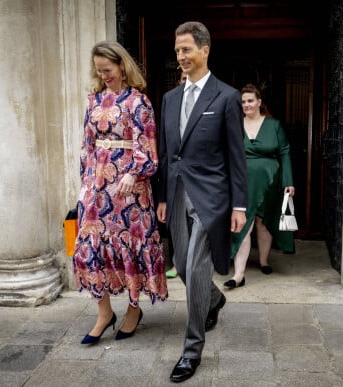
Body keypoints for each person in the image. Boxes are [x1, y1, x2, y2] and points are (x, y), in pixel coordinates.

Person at [156, 21, 248, 383]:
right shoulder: (169, 99)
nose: (181, 57)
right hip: (177, 192)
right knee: (179, 261)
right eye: (177, 51)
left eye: (187, 50)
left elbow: (236, 156)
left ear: (205, 50)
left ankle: (191, 350)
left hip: (212, 196)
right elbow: (166, 154)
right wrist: (162, 196)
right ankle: (213, 299)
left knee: (195, 266)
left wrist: (239, 205)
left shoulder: (226, 97)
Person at [72, 40, 168, 346]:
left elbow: (149, 150)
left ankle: (133, 309)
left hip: (130, 193)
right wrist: (86, 183)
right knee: (88, 251)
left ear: (122, 66)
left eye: (108, 69)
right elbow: (87, 146)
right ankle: (104, 313)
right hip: (97, 188)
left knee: (132, 250)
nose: (104, 76)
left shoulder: (139, 102)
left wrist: (133, 173)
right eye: (99, 71)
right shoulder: (92, 101)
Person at [224, 83, 295, 289]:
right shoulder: (235, 124)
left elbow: (285, 152)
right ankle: (239, 274)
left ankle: (264, 260)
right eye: (243, 102)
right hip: (242, 182)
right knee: (244, 223)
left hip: (270, 181)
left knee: (263, 222)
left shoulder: (274, 125)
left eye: (250, 101)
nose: (246, 104)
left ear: (259, 102)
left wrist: (288, 181)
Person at [165, 70, 188, 280]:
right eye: (183, 78)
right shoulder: (169, 101)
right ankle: (175, 262)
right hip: (175, 182)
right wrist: (163, 196)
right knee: (176, 226)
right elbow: (164, 150)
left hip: (201, 183)